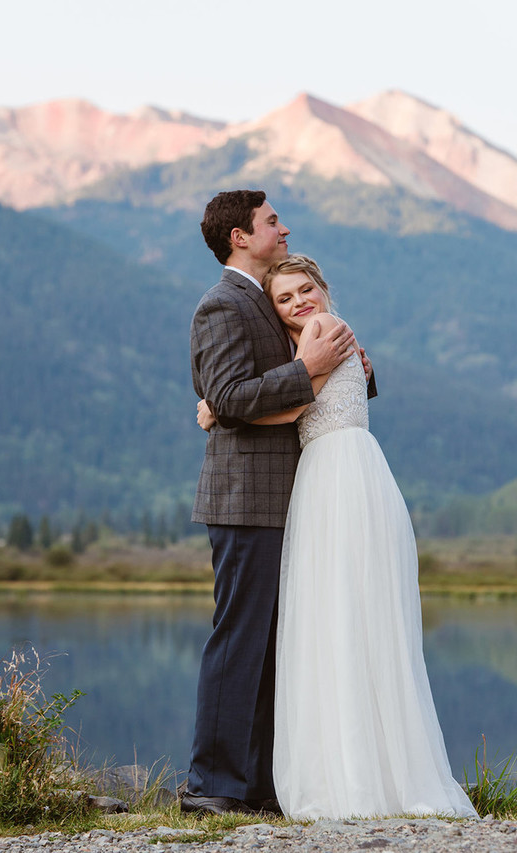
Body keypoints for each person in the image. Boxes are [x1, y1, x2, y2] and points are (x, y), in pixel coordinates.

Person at [251, 254, 477, 820]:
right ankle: (382, 773)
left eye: (306, 289)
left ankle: (349, 780)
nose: (299, 302)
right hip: (351, 471)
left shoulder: (323, 332)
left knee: (336, 617)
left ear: (323, 288)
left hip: (337, 475)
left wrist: (221, 412)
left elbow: (294, 401)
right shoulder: (336, 330)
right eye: (285, 298)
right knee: (362, 619)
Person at [182, 191, 376, 817]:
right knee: (240, 639)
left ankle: (260, 783)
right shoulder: (221, 304)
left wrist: (344, 368)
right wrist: (304, 369)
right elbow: (232, 392)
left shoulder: (266, 297)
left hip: (294, 496)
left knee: (275, 644)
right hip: (246, 500)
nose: (284, 227)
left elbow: (253, 387)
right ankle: (211, 785)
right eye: (271, 221)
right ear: (241, 235)